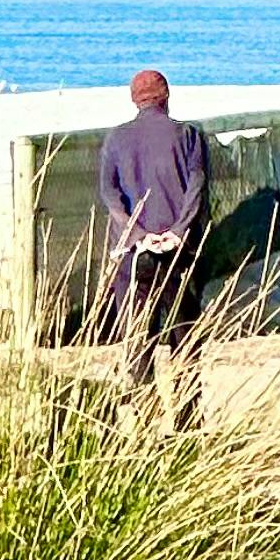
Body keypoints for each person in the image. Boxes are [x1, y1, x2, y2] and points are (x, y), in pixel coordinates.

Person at [95, 67, 210, 368]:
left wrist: (138, 234)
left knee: (136, 346)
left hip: (133, 255)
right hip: (179, 252)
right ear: (166, 96)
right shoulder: (187, 134)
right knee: (186, 346)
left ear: (135, 100)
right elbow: (196, 188)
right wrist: (178, 230)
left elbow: (110, 193)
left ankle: (145, 411)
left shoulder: (116, 138)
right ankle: (188, 414)